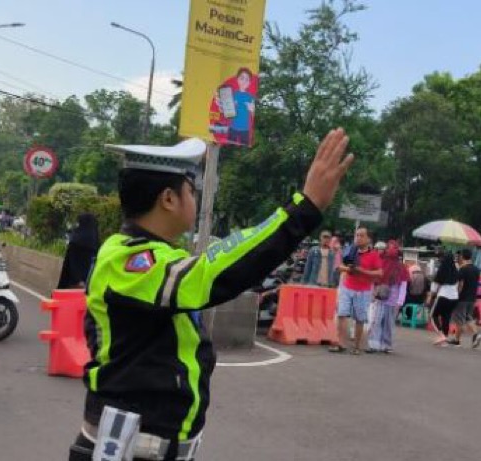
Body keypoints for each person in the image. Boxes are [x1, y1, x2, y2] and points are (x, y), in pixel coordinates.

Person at [67, 129, 353, 461]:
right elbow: (214, 272)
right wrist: (304, 208)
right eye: (192, 190)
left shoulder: (151, 255)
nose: (196, 198)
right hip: (124, 450)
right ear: (169, 199)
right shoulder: (128, 260)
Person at [332, 227, 382, 355]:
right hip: (347, 286)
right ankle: (341, 344)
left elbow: (379, 273)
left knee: (360, 318)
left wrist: (362, 271)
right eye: (357, 235)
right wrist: (348, 270)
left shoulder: (374, 254)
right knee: (342, 314)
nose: (358, 238)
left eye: (361, 236)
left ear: (368, 239)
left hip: (363, 290)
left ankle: (357, 346)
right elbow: (339, 266)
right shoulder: (350, 250)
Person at [367, 240, 409, 353]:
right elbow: (375, 279)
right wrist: (372, 293)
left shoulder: (399, 267)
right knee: (380, 321)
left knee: (384, 322)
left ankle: (382, 344)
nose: (391, 251)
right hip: (383, 298)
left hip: (389, 299)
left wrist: (400, 301)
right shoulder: (387, 264)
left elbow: (403, 285)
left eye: (393, 248)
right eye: (389, 248)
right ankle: (378, 344)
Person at [57, 213, 101, 290]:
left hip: (73, 284)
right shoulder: (96, 243)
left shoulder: (76, 241)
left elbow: (71, 263)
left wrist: (78, 280)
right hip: (90, 285)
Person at [450, 249, 481, 348]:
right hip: (472, 298)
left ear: (462, 257)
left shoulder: (463, 269)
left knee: (459, 319)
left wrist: (456, 295)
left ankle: (457, 340)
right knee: (469, 318)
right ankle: (476, 334)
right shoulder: (476, 269)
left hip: (463, 298)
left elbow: (460, 284)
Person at [426, 249, 459, 345]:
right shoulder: (456, 271)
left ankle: (441, 335)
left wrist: (430, 297)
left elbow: (435, 285)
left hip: (443, 296)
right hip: (454, 298)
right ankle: (445, 338)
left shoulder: (442, 269)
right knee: (446, 317)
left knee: (433, 315)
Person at [227, 67, 255, 145]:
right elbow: (227, 113)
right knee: (229, 148)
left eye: (247, 79)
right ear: (237, 79)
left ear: (249, 82)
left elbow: (254, 115)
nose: (244, 81)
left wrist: (252, 110)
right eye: (242, 78)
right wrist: (231, 107)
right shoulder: (233, 94)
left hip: (245, 130)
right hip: (232, 128)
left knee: (244, 149)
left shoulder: (251, 97)